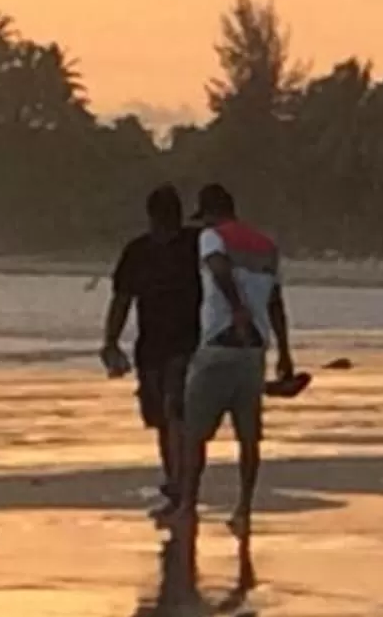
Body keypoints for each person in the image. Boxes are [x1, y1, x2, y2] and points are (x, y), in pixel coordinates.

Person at [173, 183, 298, 534]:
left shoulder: (212, 237)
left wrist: (237, 308)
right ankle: (243, 508)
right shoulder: (266, 246)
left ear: (211, 212)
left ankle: (187, 505)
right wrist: (285, 351)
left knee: (194, 432)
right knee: (248, 437)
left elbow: (218, 268)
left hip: (218, 344)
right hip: (254, 349)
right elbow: (275, 301)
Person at [103, 184, 202, 506]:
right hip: (165, 344)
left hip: (180, 344)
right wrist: (111, 342)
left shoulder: (157, 248)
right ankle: (177, 480)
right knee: (167, 418)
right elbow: (122, 298)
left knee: (174, 414)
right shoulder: (193, 243)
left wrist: (110, 341)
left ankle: (179, 482)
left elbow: (121, 301)